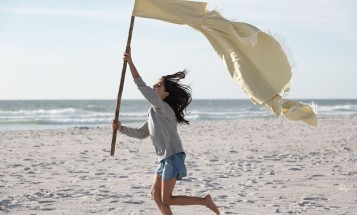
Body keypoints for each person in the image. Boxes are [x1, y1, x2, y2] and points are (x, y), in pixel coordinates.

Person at [112, 50, 220, 215]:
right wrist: (121, 129)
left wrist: (131, 63)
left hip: (173, 155)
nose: (154, 86)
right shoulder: (154, 111)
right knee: (155, 195)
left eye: (158, 85)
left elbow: (142, 87)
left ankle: (205, 201)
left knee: (167, 199)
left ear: (165, 94)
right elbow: (142, 133)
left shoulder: (163, 107)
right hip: (163, 159)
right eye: (155, 84)